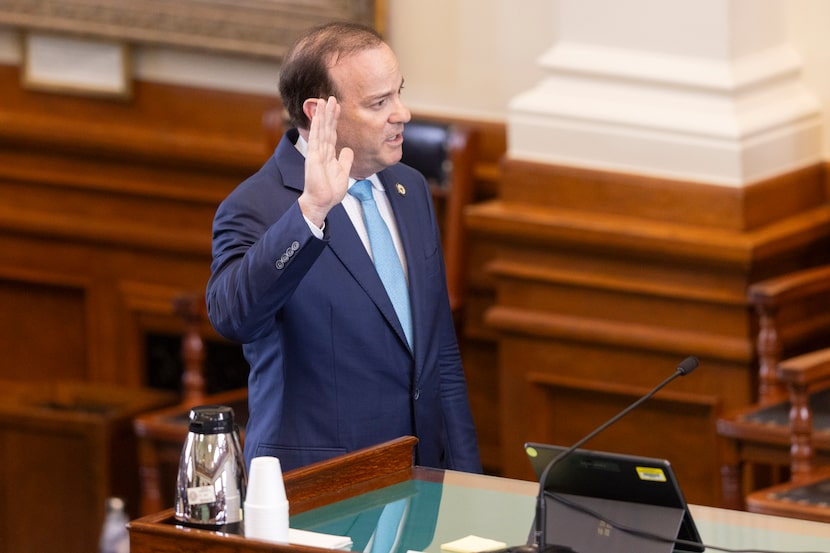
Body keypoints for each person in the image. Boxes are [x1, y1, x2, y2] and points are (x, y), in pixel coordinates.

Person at [206, 21, 482, 474]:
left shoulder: (409, 188)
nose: (403, 114)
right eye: (379, 102)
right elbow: (232, 316)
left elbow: (440, 356)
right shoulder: (257, 205)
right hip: (320, 488)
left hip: (419, 478)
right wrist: (311, 212)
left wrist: (469, 485)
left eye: (399, 93)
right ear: (318, 112)